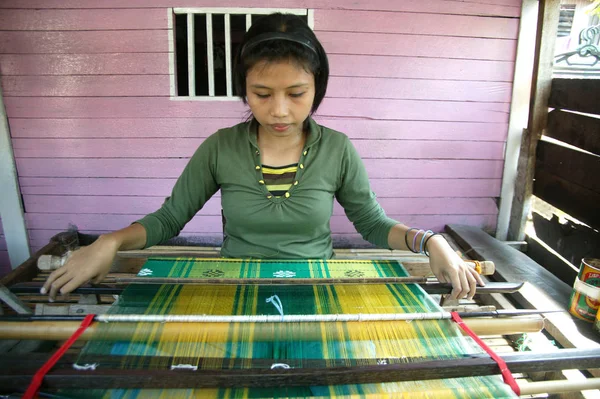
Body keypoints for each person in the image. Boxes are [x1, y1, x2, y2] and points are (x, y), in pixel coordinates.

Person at [42, 13, 484, 301]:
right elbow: (169, 219)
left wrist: (432, 242)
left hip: (315, 288)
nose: (279, 110)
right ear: (244, 89)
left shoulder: (337, 149)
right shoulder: (220, 146)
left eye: (296, 94)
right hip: (235, 287)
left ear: (317, 89)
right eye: (261, 93)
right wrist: (109, 242)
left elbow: (372, 223)